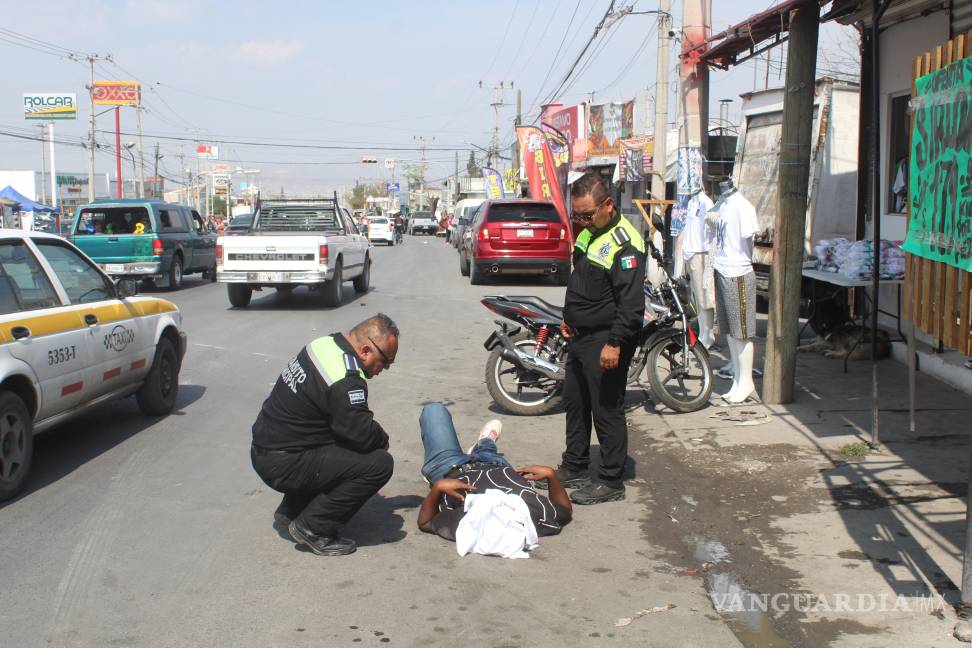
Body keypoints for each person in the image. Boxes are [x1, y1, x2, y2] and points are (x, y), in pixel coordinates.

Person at [250, 313, 399, 556]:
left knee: (334, 436)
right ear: (365, 351)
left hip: (266, 449)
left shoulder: (323, 344)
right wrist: (382, 440)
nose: (386, 368)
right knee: (378, 463)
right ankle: (313, 528)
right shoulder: (347, 378)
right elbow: (360, 433)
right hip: (283, 462)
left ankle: (292, 508)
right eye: (386, 361)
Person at [555, 172, 646, 505]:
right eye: (576, 214)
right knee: (575, 404)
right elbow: (583, 280)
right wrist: (570, 316)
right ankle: (576, 464)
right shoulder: (589, 233)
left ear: (608, 205)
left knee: (606, 407)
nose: (581, 220)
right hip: (580, 336)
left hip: (606, 338)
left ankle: (610, 480)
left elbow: (632, 304)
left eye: (587, 214)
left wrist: (615, 342)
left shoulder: (625, 242)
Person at [417, 403, 572, 547]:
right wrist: (552, 476)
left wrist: (437, 488)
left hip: (450, 468)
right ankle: (485, 442)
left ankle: (483, 445)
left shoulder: (470, 522)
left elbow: (426, 522)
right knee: (488, 452)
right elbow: (564, 510)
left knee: (434, 410)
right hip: (498, 465)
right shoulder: (536, 516)